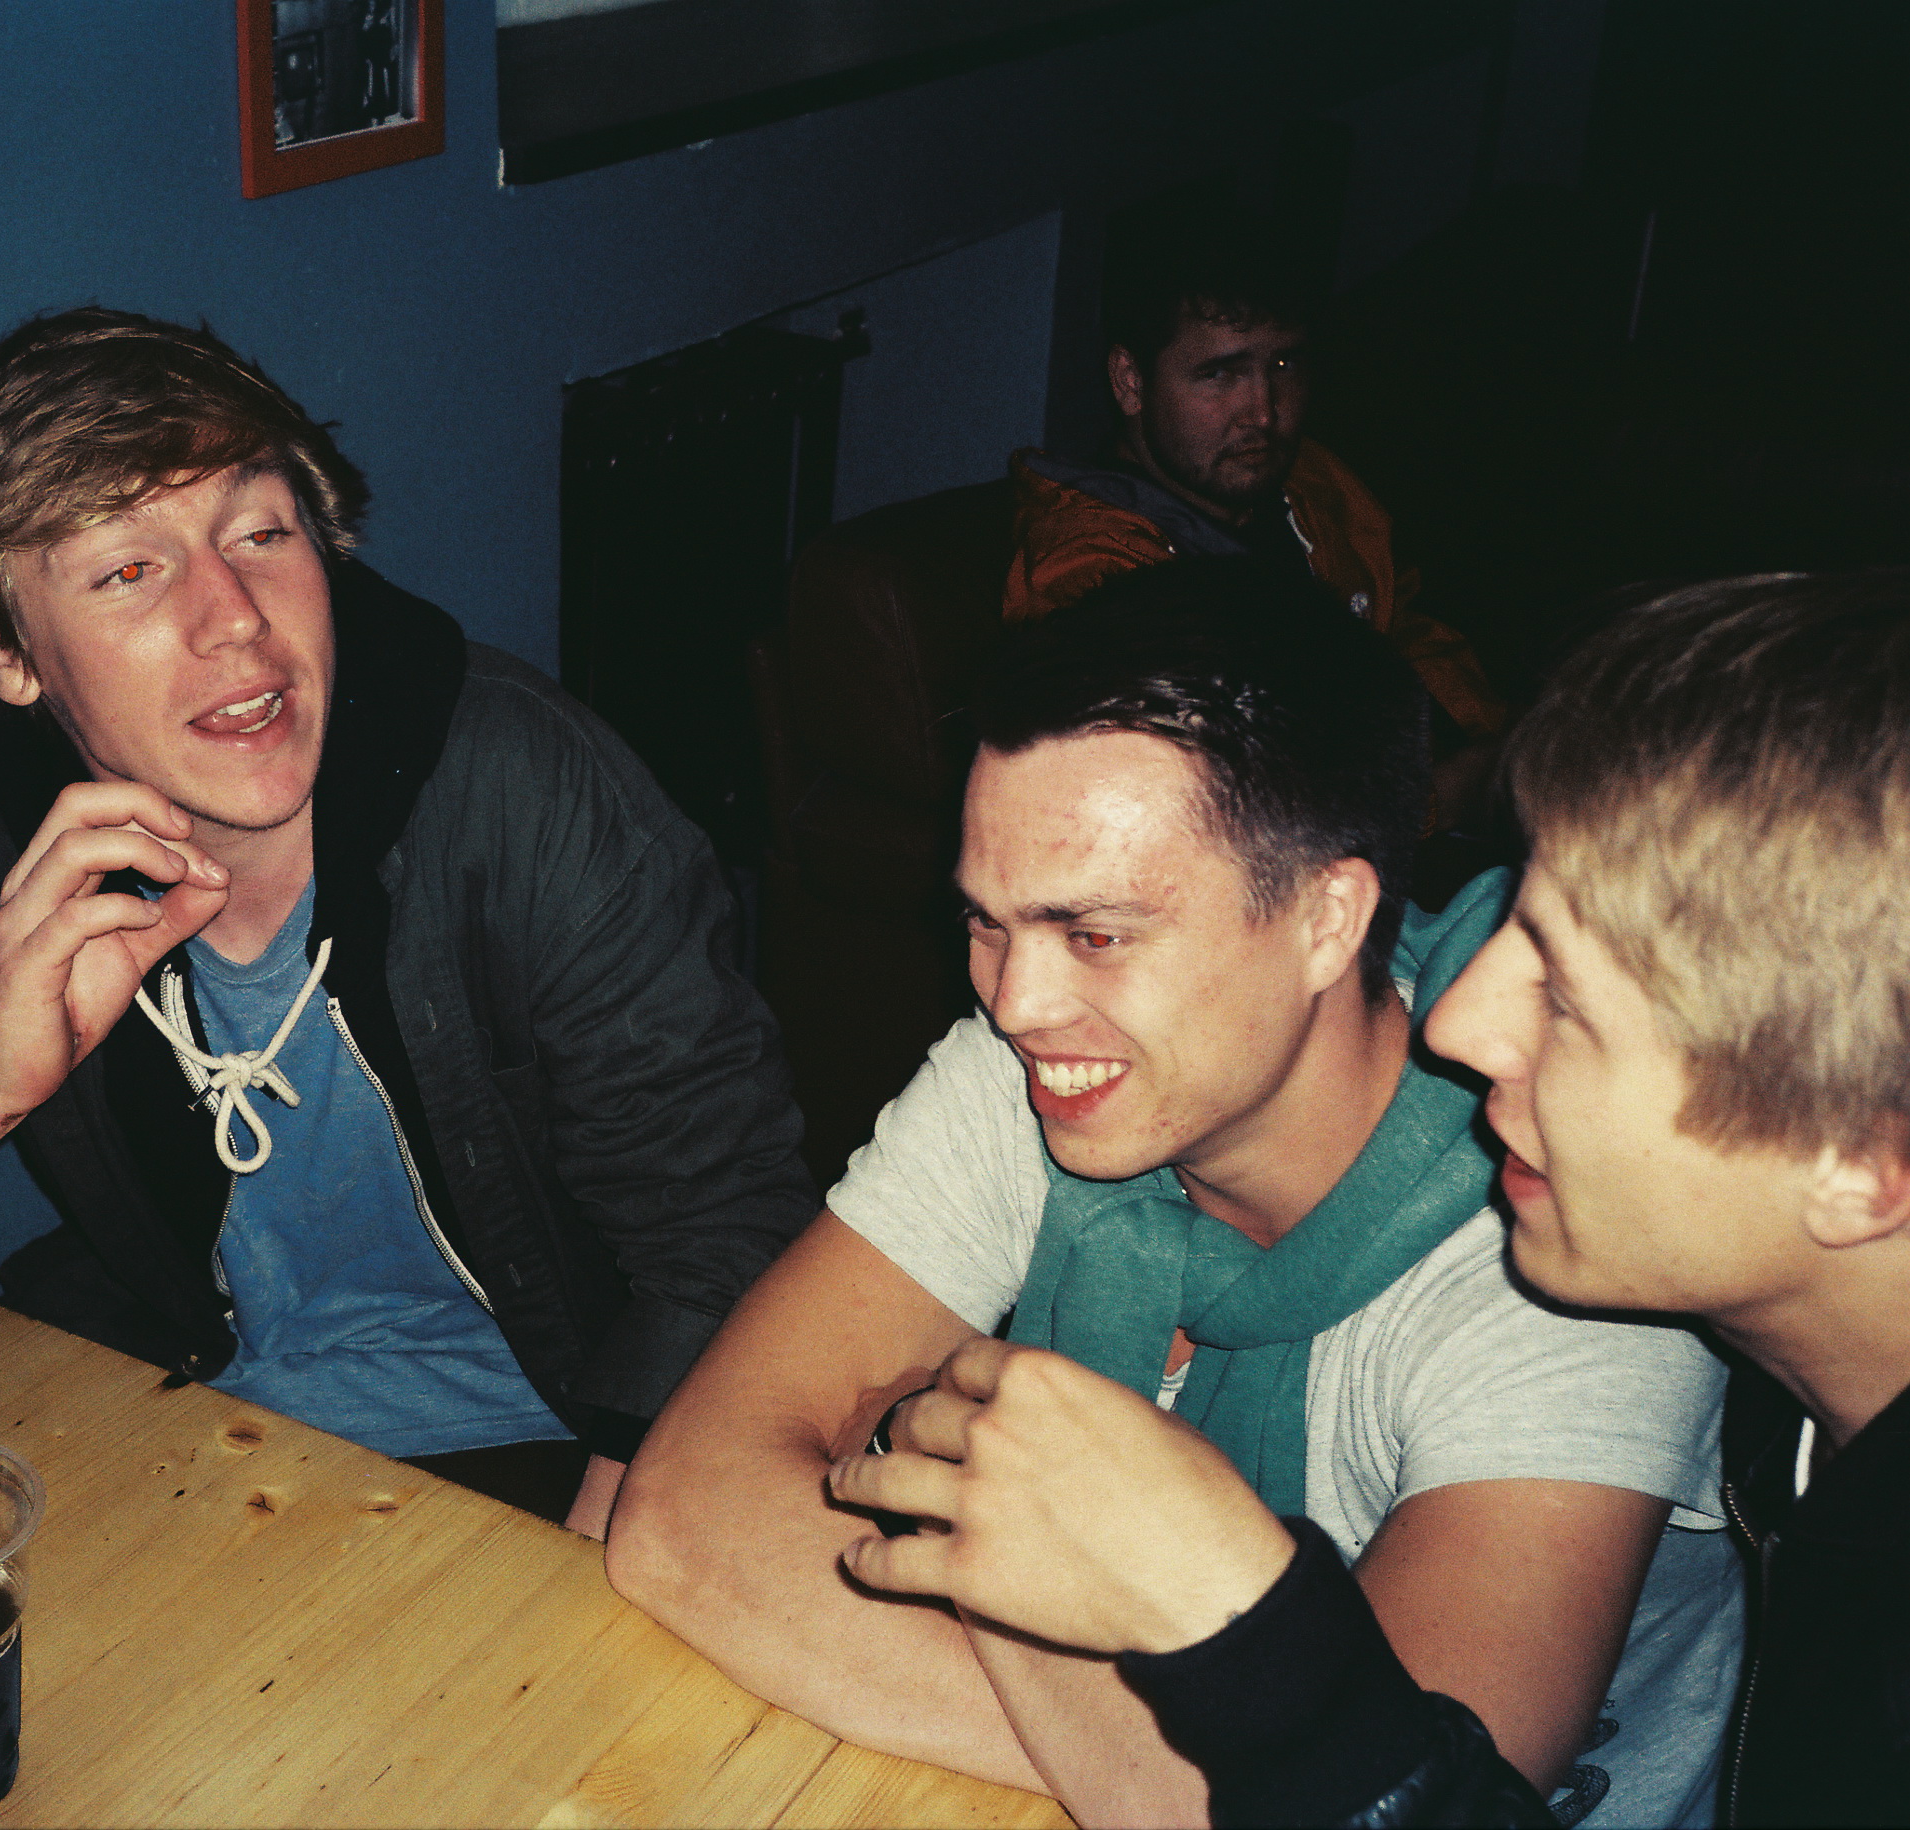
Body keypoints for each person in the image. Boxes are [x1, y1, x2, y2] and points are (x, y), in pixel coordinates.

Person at [0, 307, 815, 1533]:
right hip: (198, 1411)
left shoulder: (524, 788)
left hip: (552, 1428)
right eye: (129, 571)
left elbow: (726, 1239)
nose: (234, 613)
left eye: (260, 533)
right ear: (4, 653)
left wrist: (586, 1573)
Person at [606, 559, 1741, 1825]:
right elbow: (681, 1516)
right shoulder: (1051, 1066)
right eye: (985, 921)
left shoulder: (1575, 1227)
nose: (1015, 1002)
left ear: (1328, 920)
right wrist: (1151, 1743)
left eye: (1097, 933)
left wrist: (982, 1564)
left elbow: (1379, 1796)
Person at [831, 570, 1910, 1826]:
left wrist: (1067, 1579)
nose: (1456, 1023)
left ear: (1864, 1161)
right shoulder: (1810, 1444)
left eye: (1567, 998)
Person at [1006, 208, 1508, 822]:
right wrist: (1439, 798)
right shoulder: (1096, 572)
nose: (1263, 413)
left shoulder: (1313, 484)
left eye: (1284, 366)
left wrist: (1502, 750)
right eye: (1219, 374)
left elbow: (1407, 634)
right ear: (1130, 381)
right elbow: (1211, 807)